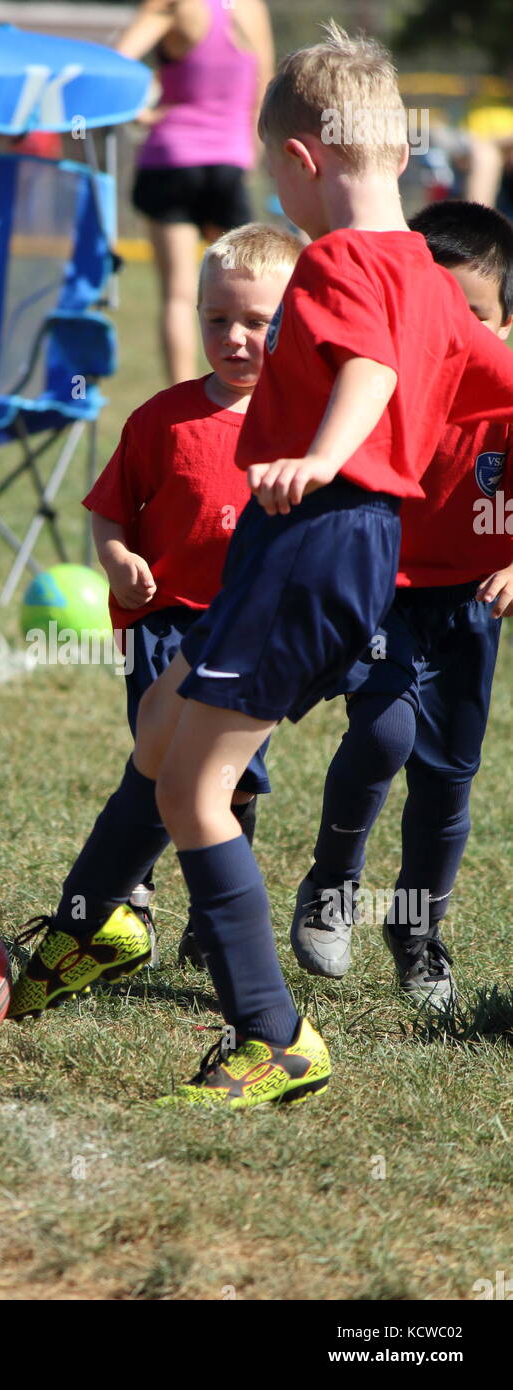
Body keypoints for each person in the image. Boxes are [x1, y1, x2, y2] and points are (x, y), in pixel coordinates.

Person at [8, 24, 513, 1112]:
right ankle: (83, 931)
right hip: (328, 554)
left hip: (314, 536)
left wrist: (324, 454)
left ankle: (270, 1034)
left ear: (298, 162)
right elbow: (491, 372)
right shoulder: (429, 279)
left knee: (195, 790)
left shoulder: (338, 260)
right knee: (162, 725)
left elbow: (369, 370)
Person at [290, 200, 513, 1009]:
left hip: (469, 610)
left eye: (478, 317)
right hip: (381, 590)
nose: (456, 335)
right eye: (439, 312)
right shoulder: (374, 387)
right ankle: (332, 886)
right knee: (383, 732)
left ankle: (417, 930)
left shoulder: (506, 404)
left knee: (449, 783)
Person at [84, 222, 301, 966]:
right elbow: (111, 506)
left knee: (231, 777)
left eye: (257, 322)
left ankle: (214, 911)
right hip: (166, 622)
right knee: (158, 755)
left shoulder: (307, 426)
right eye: (218, 320)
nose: (235, 337)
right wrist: (116, 558)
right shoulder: (161, 420)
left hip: (254, 632)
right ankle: (131, 897)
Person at [116, 0, 274, 385]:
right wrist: (250, 150)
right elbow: (265, 83)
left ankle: (181, 400)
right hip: (231, 161)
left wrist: (141, 110)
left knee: (178, 295)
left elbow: (117, 65)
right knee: (248, 294)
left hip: (172, 158)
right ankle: (250, 395)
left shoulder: (173, 5)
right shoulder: (253, 7)